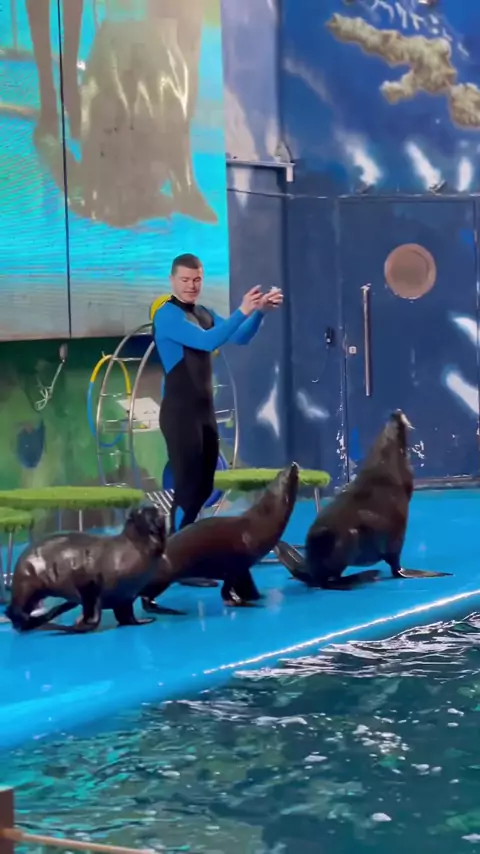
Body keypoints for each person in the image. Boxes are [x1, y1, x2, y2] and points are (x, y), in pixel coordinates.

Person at [153, 253, 283, 536]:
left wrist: (259, 312)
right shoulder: (167, 315)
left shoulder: (204, 313)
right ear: (172, 280)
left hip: (203, 412)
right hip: (179, 414)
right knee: (187, 486)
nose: (191, 285)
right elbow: (207, 341)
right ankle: (174, 548)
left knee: (205, 486)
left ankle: (184, 544)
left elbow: (240, 337)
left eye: (196, 279)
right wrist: (243, 310)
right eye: (185, 280)